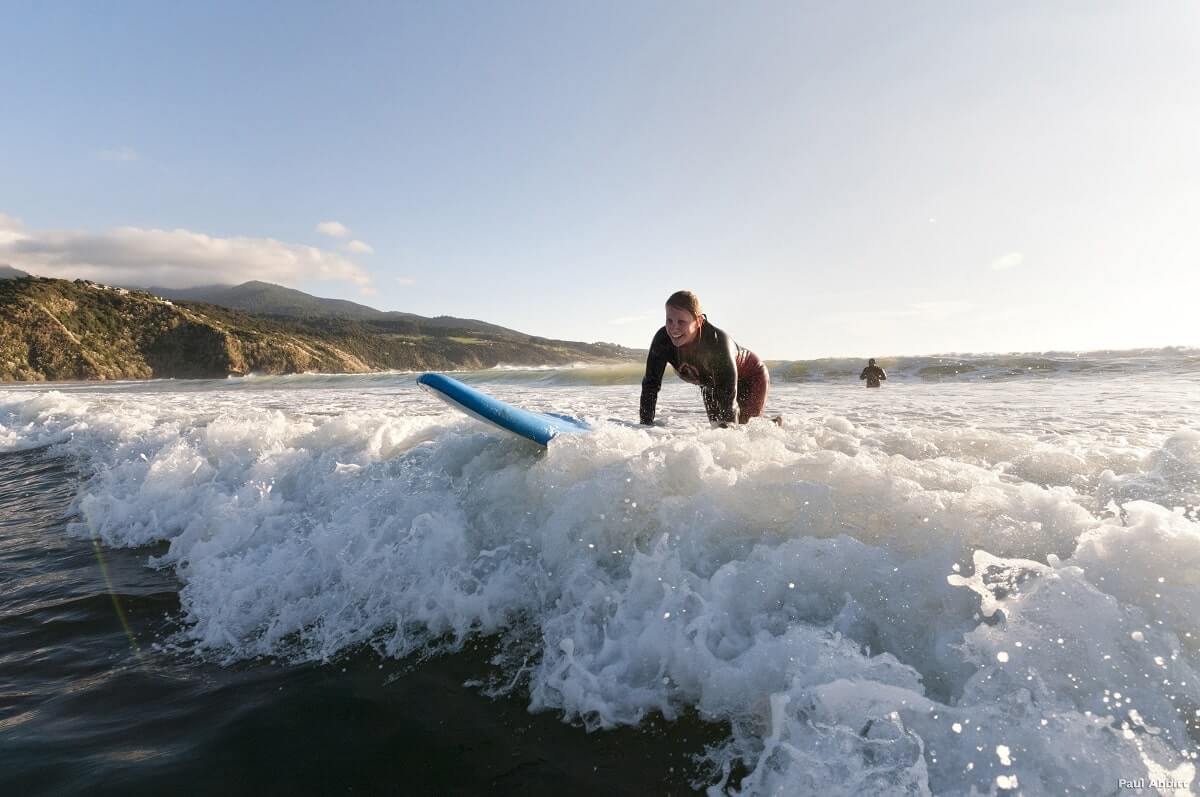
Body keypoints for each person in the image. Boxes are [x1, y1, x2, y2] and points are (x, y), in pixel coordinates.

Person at [639, 291, 769, 426]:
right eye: (669, 320)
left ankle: (772, 429)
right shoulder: (662, 341)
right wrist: (645, 427)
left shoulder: (717, 344)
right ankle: (772, 425)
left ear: (699, 321)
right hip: (711, 383)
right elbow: (650, 385)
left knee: (744, 430)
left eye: (681, 322)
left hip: (751, 376)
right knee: (716, 429)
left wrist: (731, 440)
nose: (674, 328)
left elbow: (728, 403)